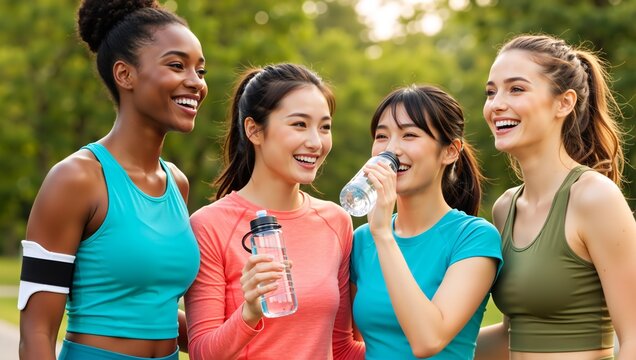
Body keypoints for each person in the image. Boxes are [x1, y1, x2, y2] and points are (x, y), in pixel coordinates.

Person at [18, 0, 207, 359]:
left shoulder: (176, 183)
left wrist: (246, 319)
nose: (195, 82)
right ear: (125, 75)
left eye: (201, 71)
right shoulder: (75, 179)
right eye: (177, 65)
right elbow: (37, 334)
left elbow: (153, 310)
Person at [184, 63, 364, 359]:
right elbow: (201, 353)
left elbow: (341, 348)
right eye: (299, 124)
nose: (316, 142)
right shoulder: (210, 225)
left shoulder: (337, 222)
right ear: (254, 130)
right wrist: (250, 311)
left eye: (325, 126)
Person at [476, 34, 636, 360]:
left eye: (516, 89)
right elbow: (515, 334)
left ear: (564, 103)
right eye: (491, 92)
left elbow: (633, 335)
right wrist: (407, 340)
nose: (496, 104)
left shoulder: (594, 198)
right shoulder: (505, 208)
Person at [349, 84, 503, 359]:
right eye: (382, 136)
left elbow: (428, 340)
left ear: (451, 151)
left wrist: (384, 235)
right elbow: (352, 343)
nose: (391, 150)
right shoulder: (362, 240)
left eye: (409, 135)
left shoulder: (474, 237)